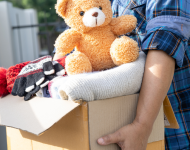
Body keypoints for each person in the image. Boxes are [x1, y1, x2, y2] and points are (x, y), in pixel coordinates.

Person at [53, 0, 190, 149]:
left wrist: (141, 126)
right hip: (106, 128)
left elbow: (164, 41)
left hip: (172, 130)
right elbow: (67, 46)